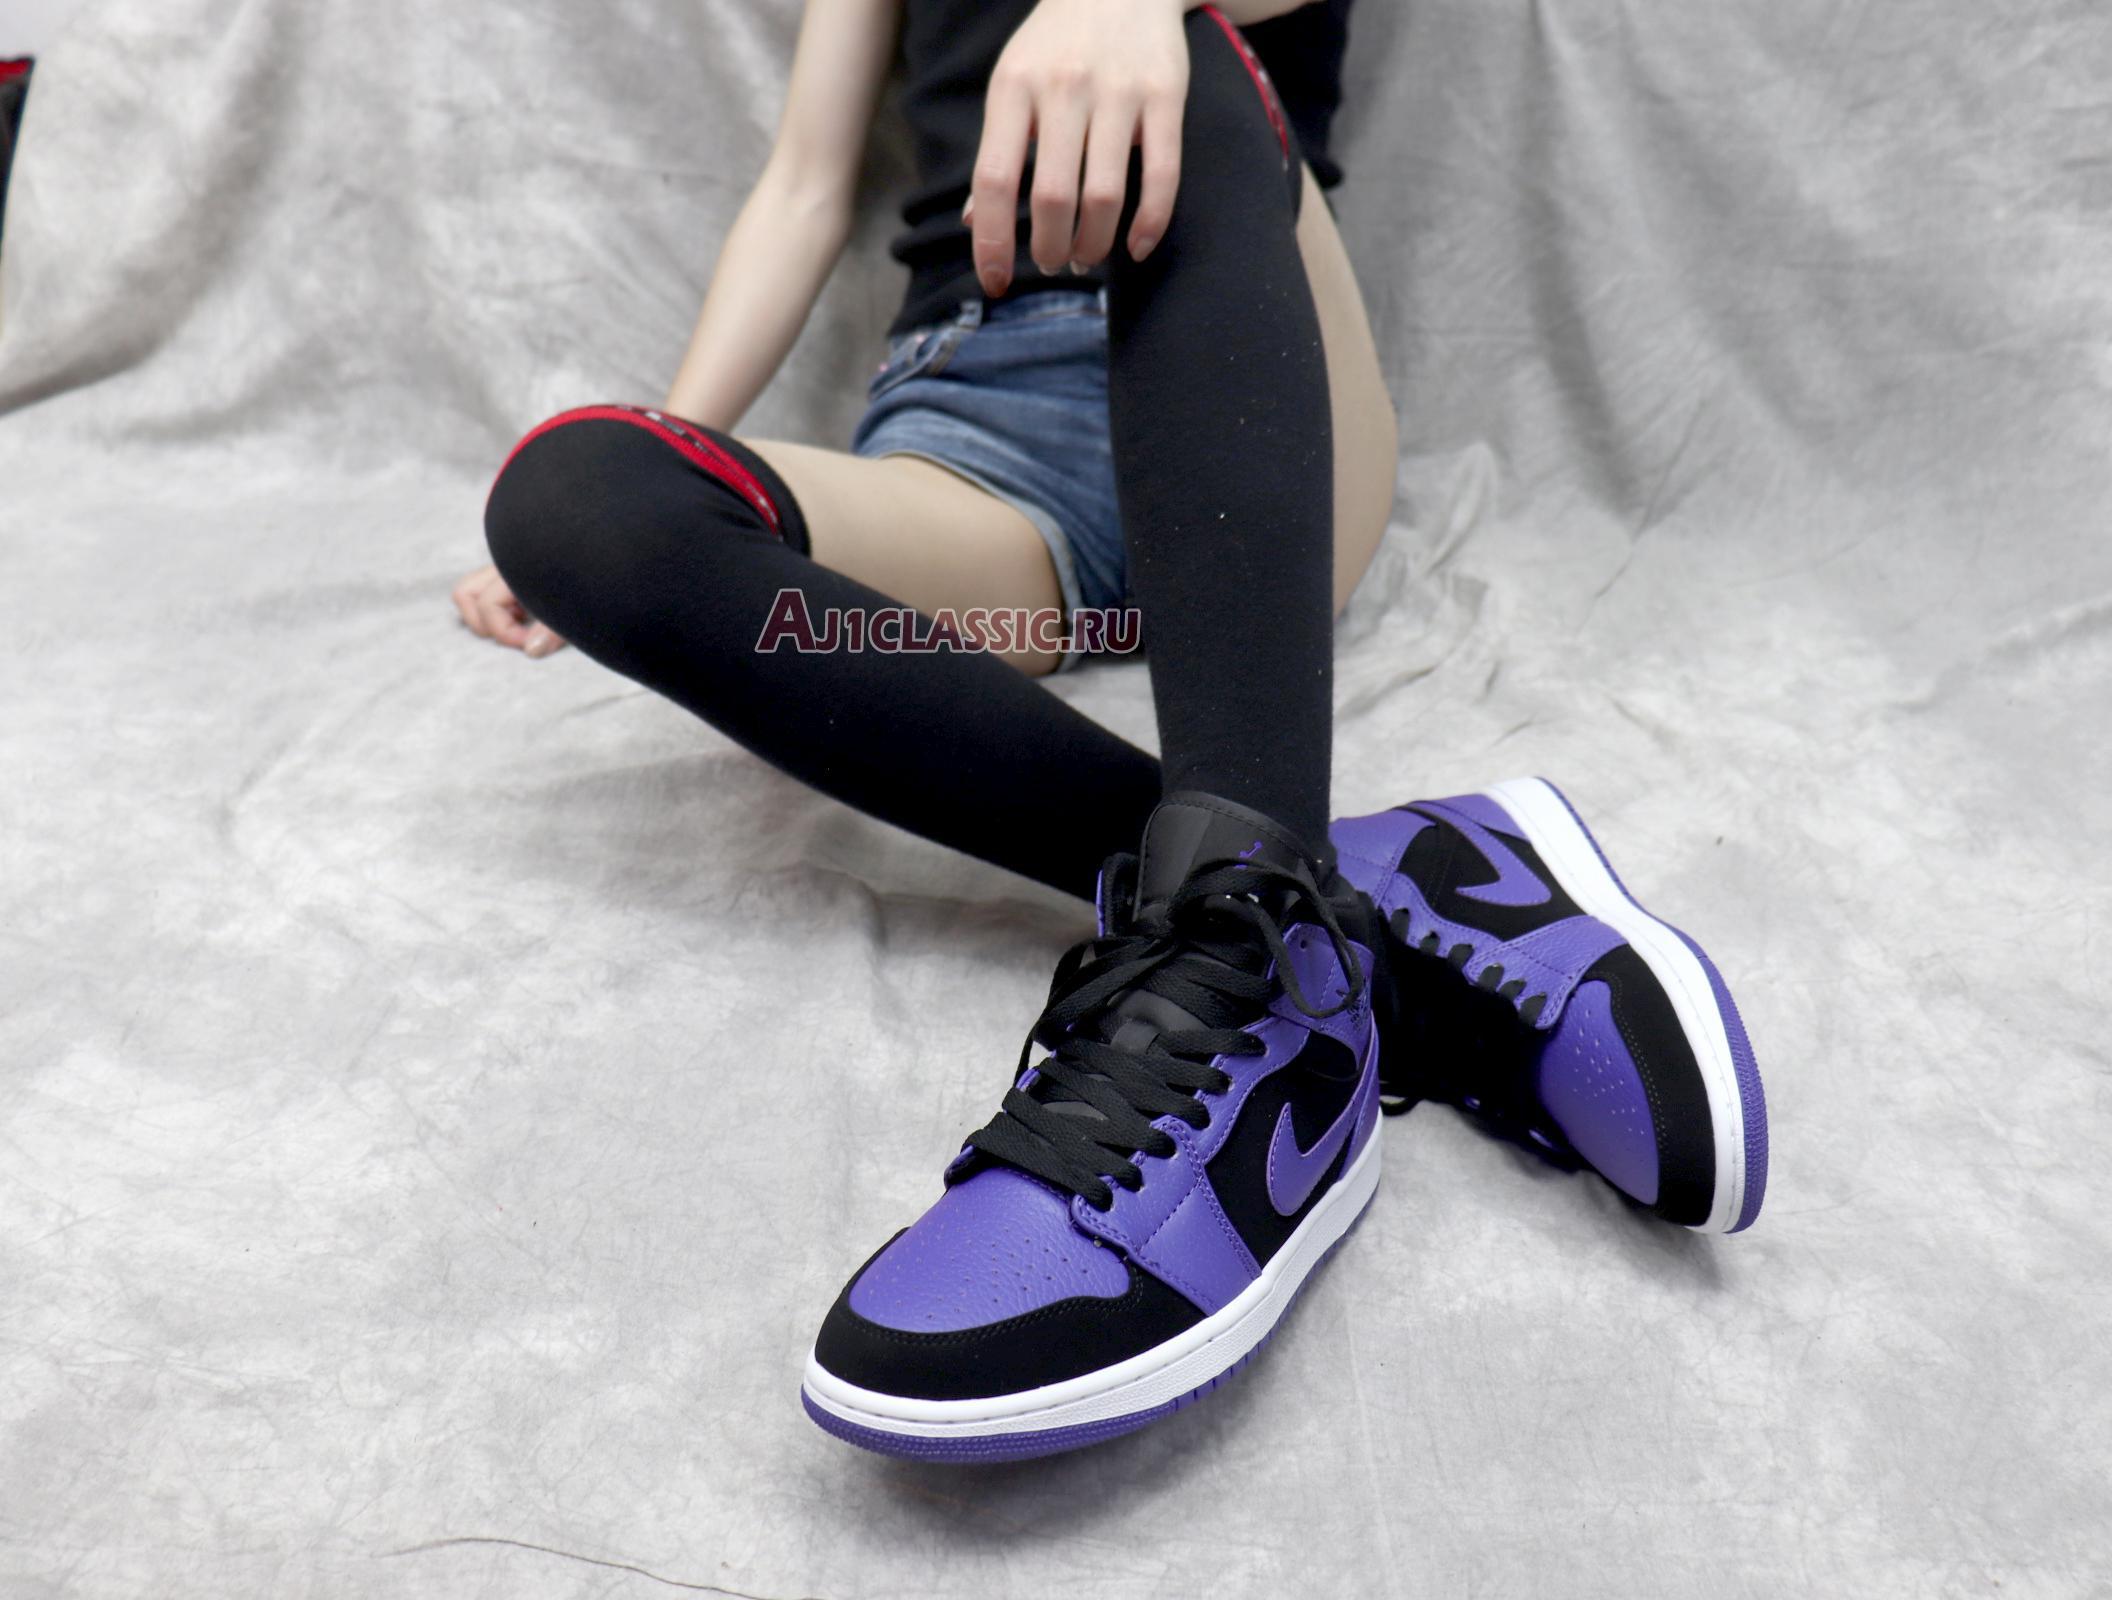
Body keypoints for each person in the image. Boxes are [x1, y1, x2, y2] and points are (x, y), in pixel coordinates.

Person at [464, 0, 1769, 1463]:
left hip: (1253, 372)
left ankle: (1254, 984)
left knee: (1183, 59)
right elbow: (804, 184)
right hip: (978, 452)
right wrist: (680, 444)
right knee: (575, 499)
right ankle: (1323, 902)